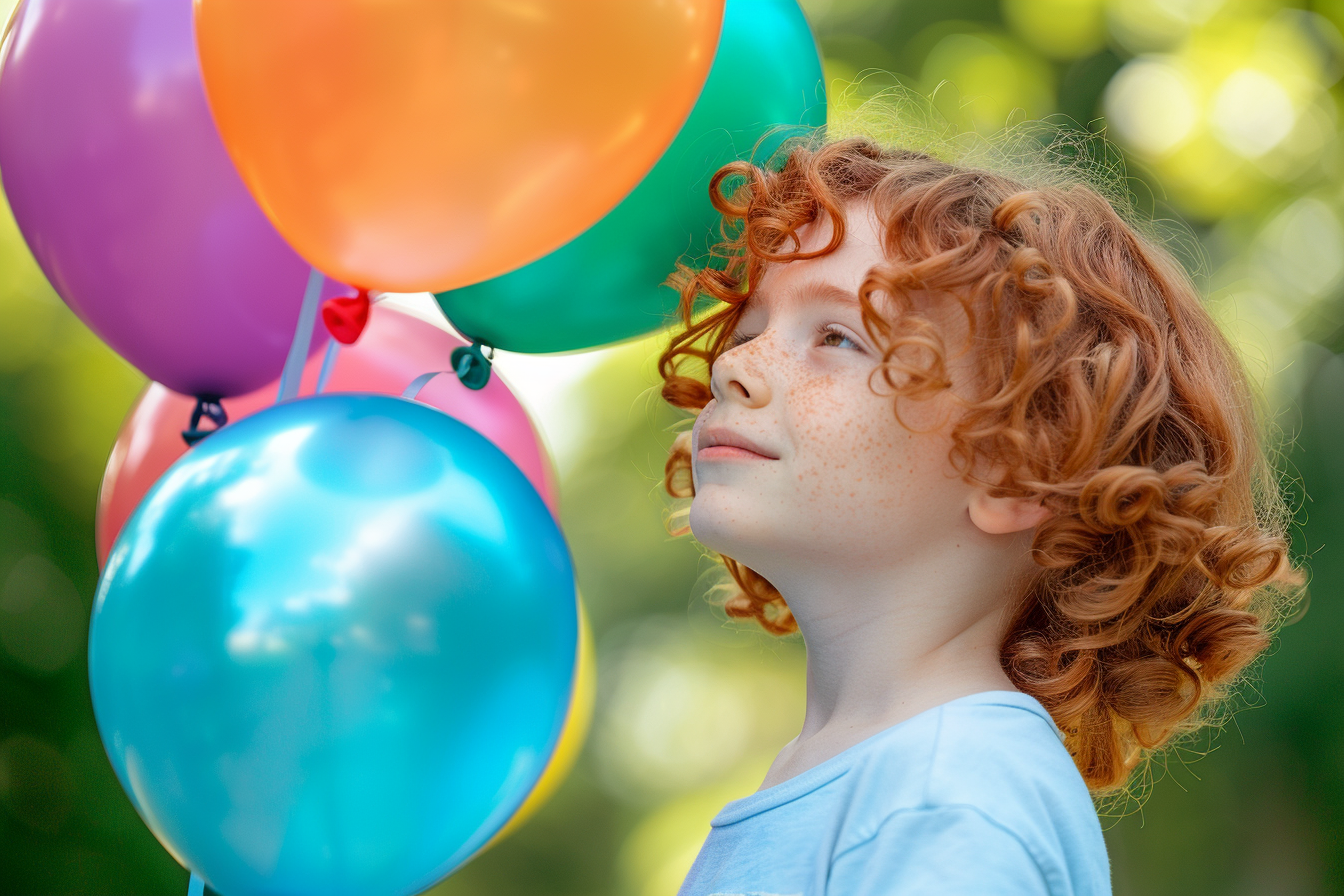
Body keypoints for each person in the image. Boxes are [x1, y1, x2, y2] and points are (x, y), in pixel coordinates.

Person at [656, 134, 1301, 895]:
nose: (734, 364)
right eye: (755, 326)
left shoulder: (948, 797)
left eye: (837, 336)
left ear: (1017, 469)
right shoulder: (879, 776)